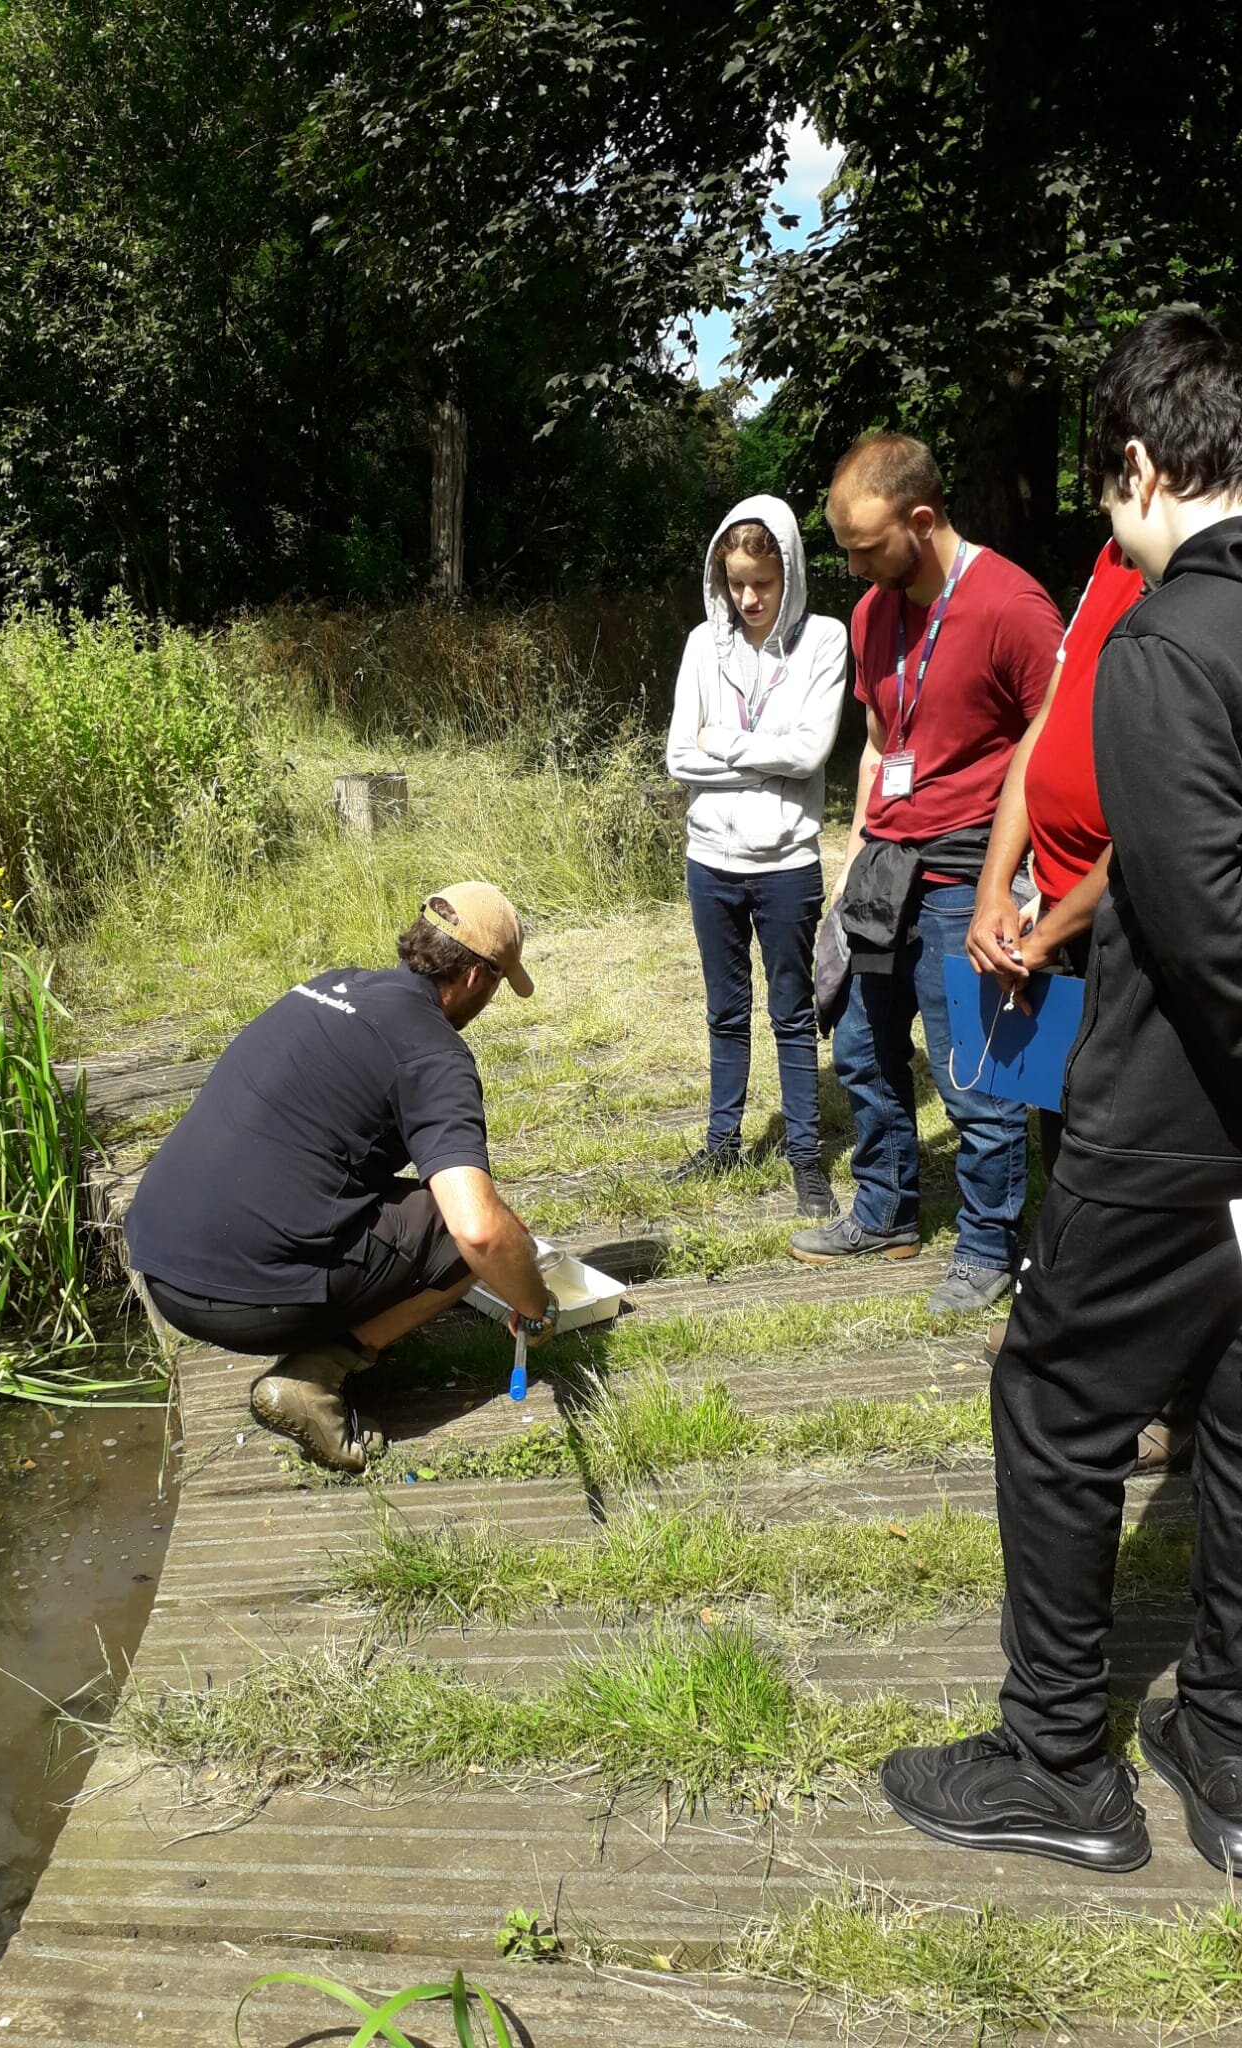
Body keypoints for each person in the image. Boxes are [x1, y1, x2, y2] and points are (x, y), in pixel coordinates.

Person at [880, 307, 1242, 1875]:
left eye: (1109, 494)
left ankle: (1056, 1764)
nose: (1110, 525)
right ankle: (1224, 1744)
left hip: (1172, 1121)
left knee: (1053, 1402)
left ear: (1149, 470)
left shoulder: (1169, 645)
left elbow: (1206, 920)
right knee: (1233, 1418)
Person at [121, 884, 559, 1473]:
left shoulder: (327, 987)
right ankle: (316, 1375)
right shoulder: (433, 1054)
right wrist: (534, 1304)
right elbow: (479, 1231)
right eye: (502, 984)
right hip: (239, 1299)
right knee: (478, 1240)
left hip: (160, 1261)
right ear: (477, 980)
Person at [789, 436, 1064, 1314]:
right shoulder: (875, 611)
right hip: (886, 863)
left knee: (979, 1071)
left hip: (971, 868)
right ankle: (886, 1211)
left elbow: (1051, 747)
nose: (855, 567)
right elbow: (881, 745)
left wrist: (1023, 888)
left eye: (867, 546)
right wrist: (853, 859)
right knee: (864, 1049)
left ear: (922, 518)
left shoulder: (1012, 604)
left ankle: (989, 1244)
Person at [962, 538, 1192, 1474]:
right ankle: (1074, 1337)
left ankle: (1156, 1391)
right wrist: (996, 883)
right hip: (1052, 912)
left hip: (1124, 922)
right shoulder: (1113, 560)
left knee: (1141, 1155)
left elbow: (1158, 814)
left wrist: (1054, 928)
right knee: (1068, 1126)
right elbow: (1045, 726)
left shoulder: (1193, 583)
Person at [665, 495, 848, 1218]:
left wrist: (727, 746)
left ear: (790, 572)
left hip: (785, 865)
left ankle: (806, 1157)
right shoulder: (700, 647)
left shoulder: (824, 641)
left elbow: (810, 753)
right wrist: (763, 761)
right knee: (724, 1010)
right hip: (710, 859)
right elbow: (681, 757)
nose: (748, 599)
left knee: (793, 1013)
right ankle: (721, 1142)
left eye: (763, 584)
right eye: (736, 582)